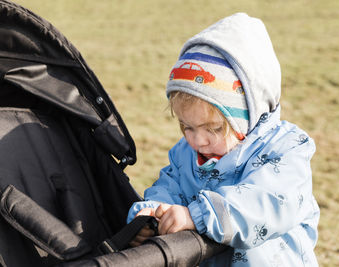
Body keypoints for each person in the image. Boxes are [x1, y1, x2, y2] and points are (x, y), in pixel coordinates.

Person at [127, 13, 320, 266]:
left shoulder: (285, 149)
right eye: (186, 126)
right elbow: (169, 186)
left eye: (213, 128)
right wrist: (152, 215)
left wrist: (196, 216)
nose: (198, 140)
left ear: (250, 113)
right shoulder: (184, 154)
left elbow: (267, 204)